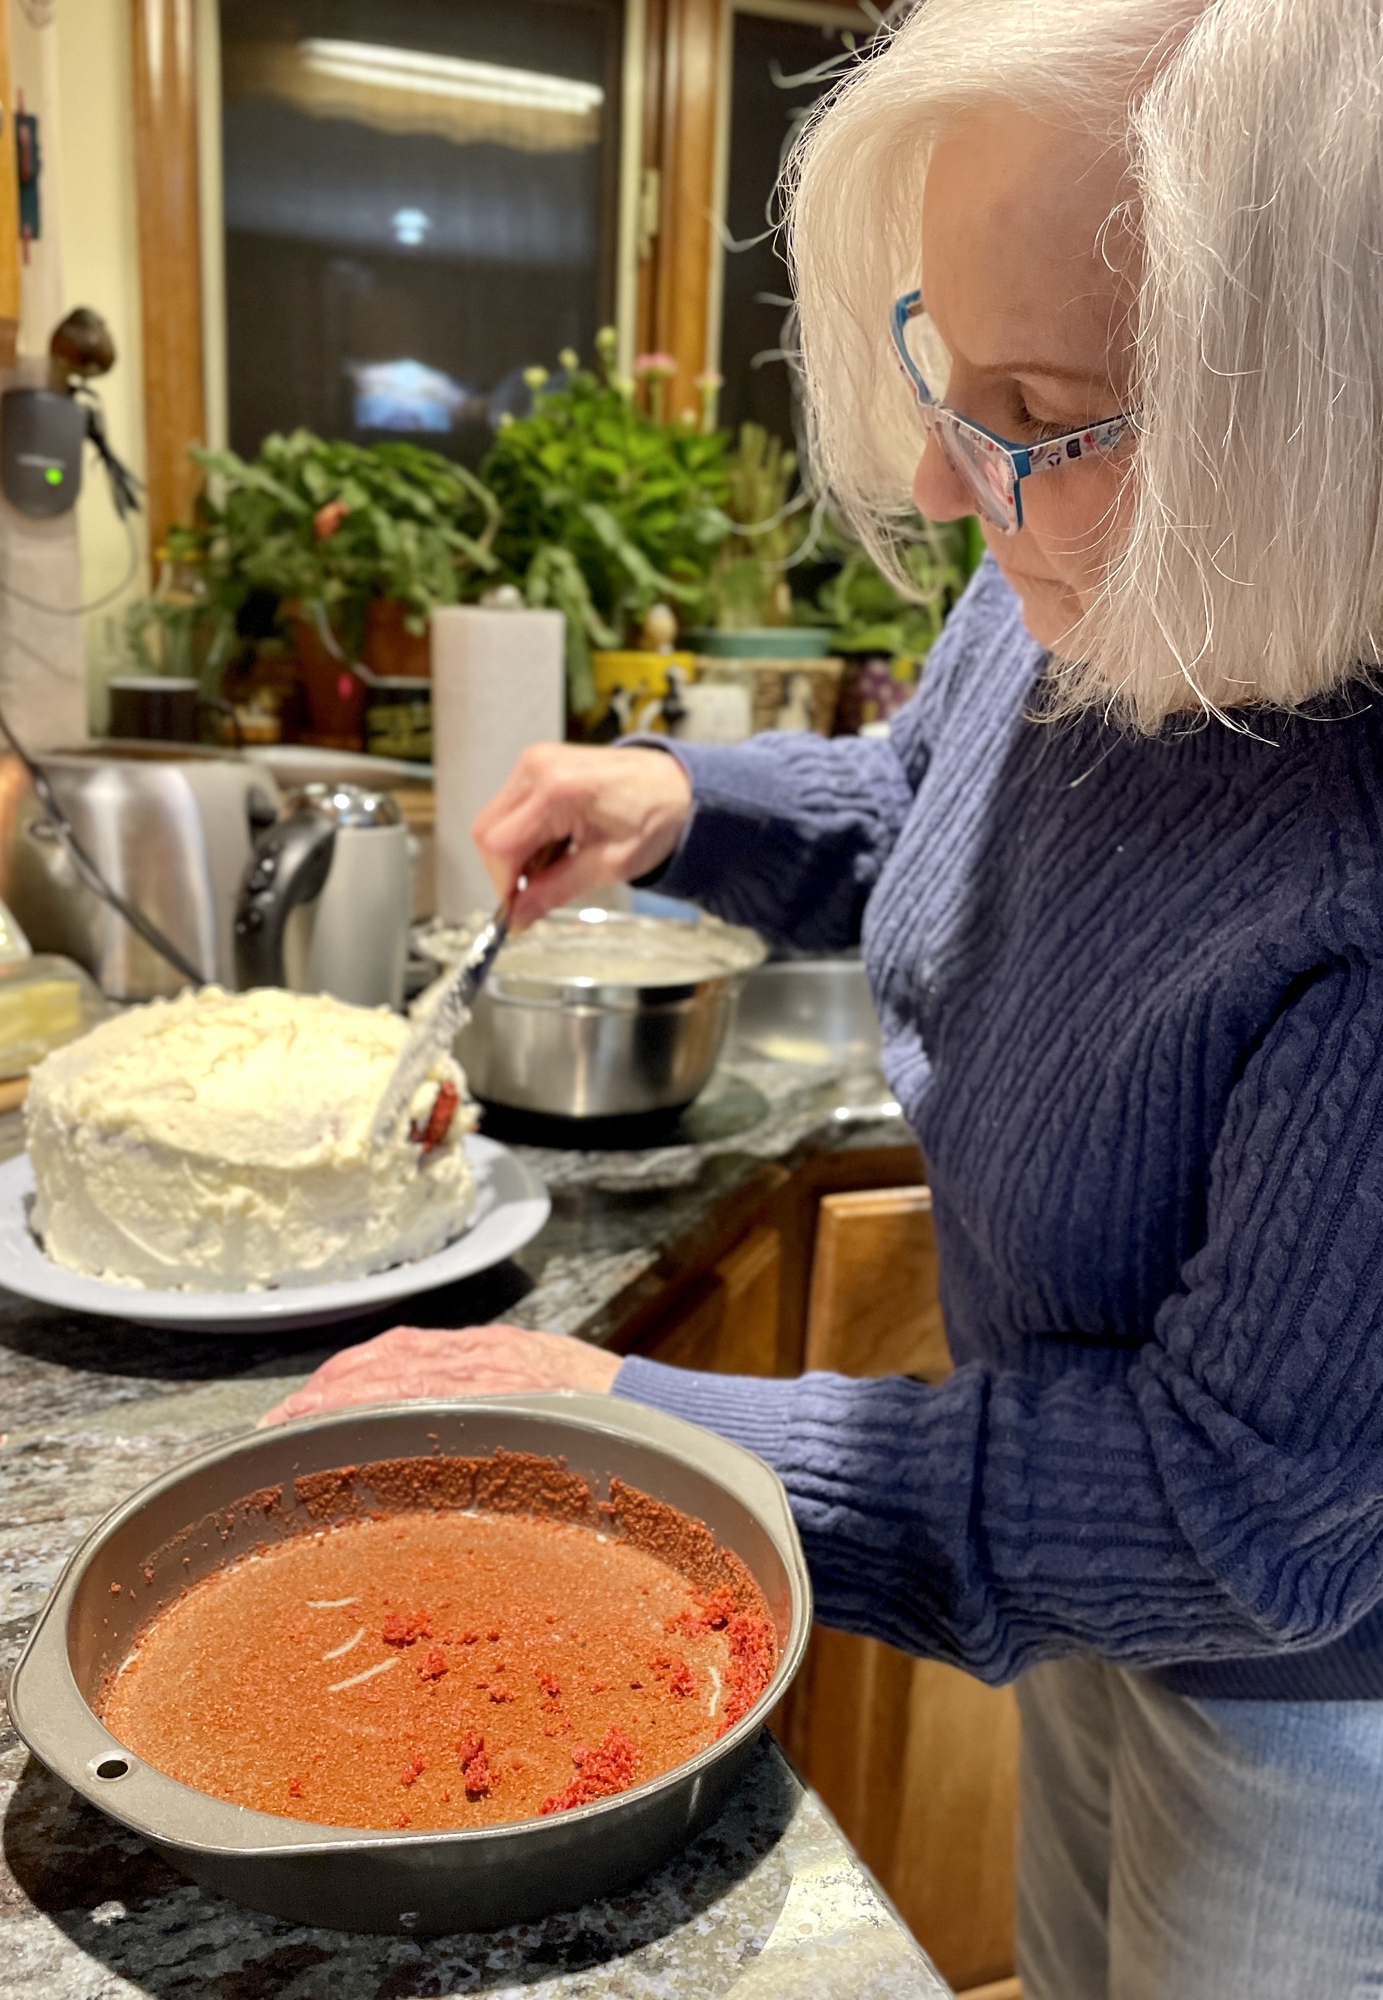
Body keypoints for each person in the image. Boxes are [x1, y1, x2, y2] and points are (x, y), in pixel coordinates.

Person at [265, 3, 1383, 1993]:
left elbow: (1242, 1513)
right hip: (1091, 1579)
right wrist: (681, 798)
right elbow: (926, 806)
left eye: (1047, 408)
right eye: (950, 374)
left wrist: (648, 1423)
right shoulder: (1079, 561)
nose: (957, 487)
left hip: (1316, 1689)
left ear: (1319, 420)